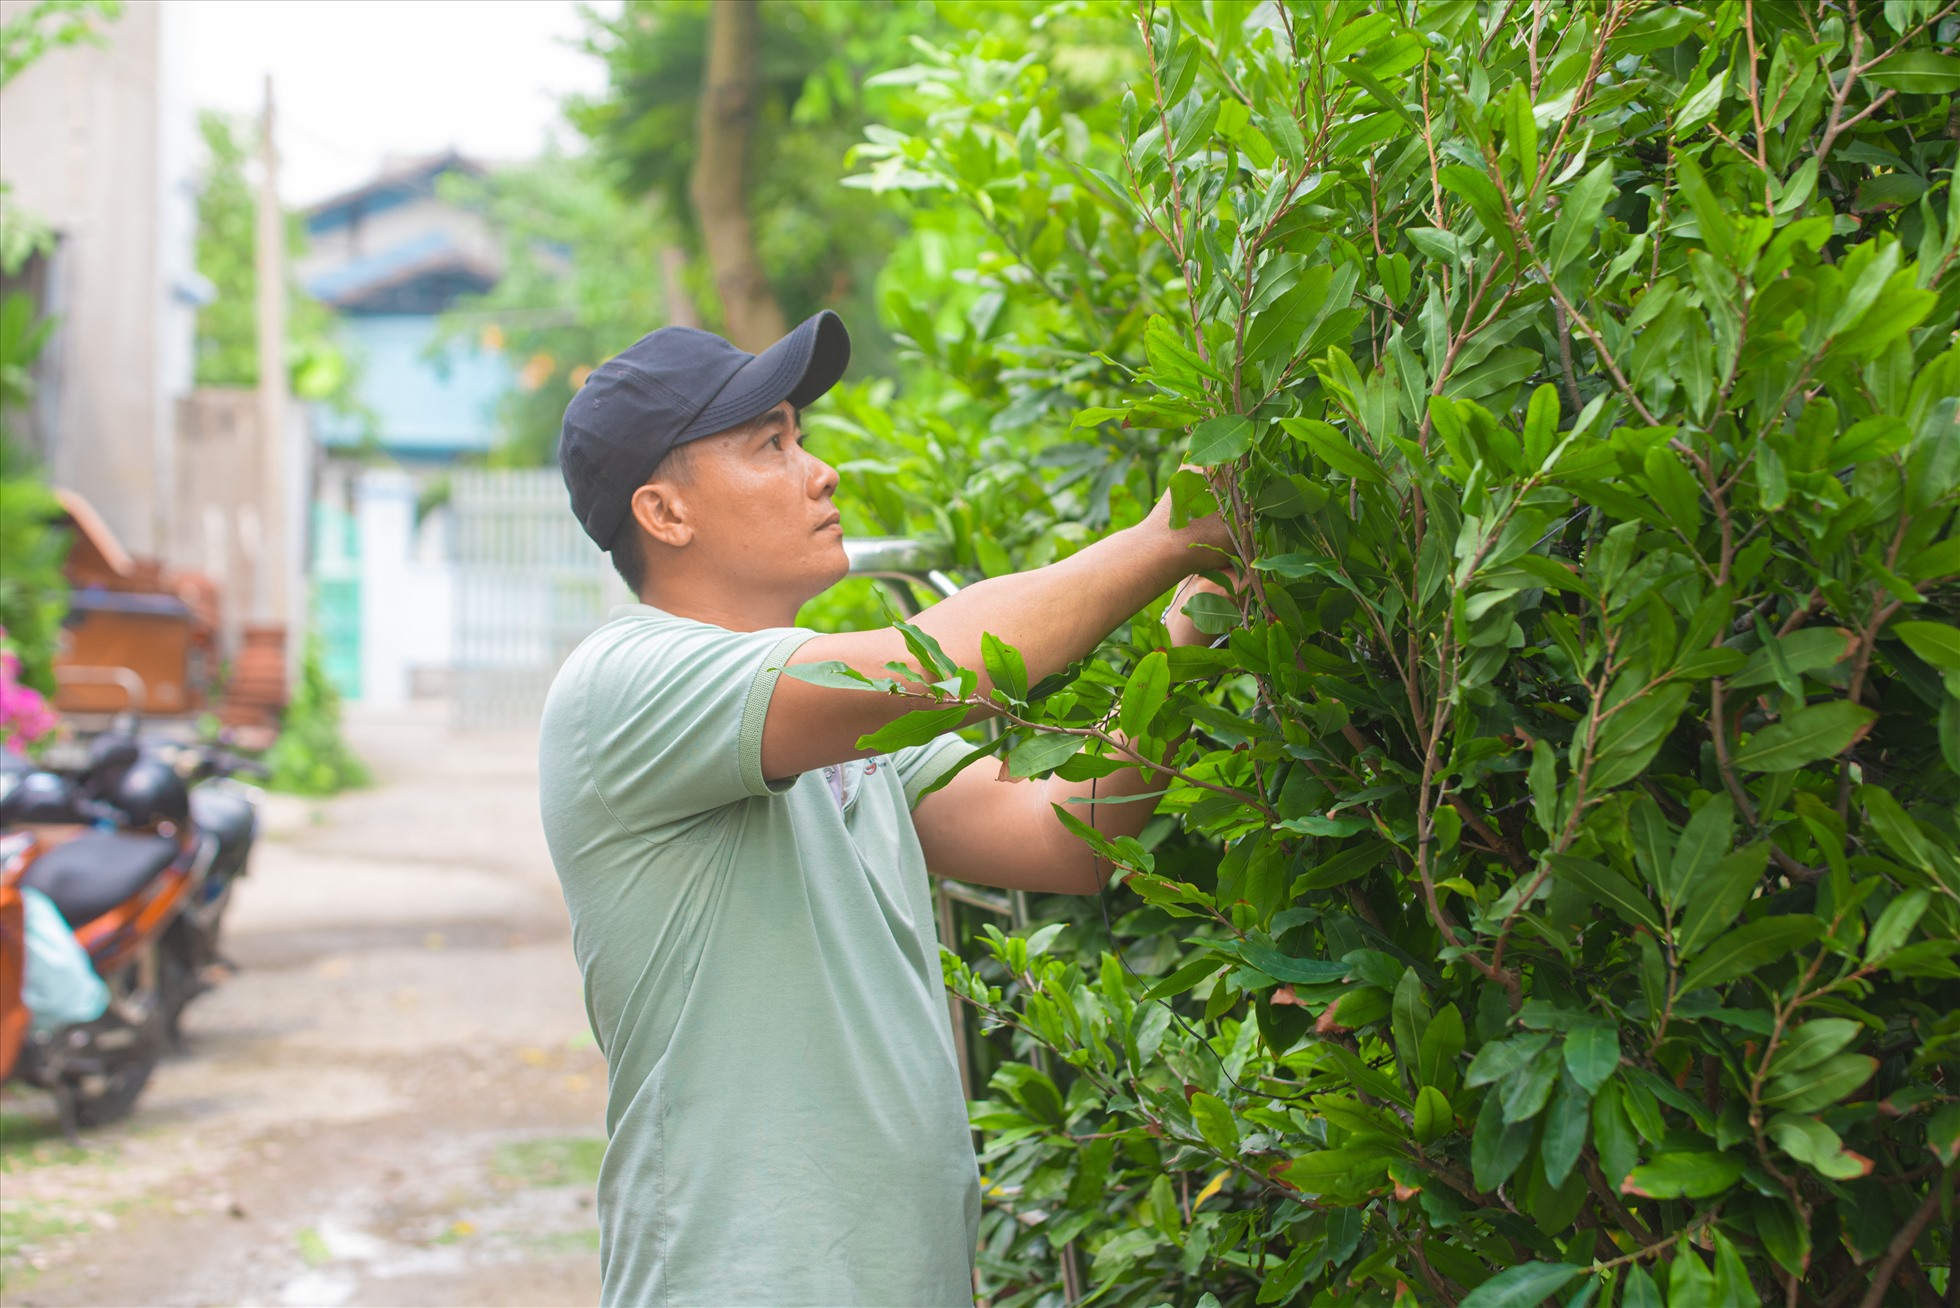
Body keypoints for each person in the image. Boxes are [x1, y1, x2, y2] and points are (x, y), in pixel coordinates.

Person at [539, 310, 1234, 1307]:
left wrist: (1191, 627)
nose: (817, 470)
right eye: (769, 444)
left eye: (800, 436)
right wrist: (1169, 537)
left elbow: (1065, 833)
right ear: (665, 513)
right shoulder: (626, 680)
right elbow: (946, 667)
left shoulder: (831, 730)